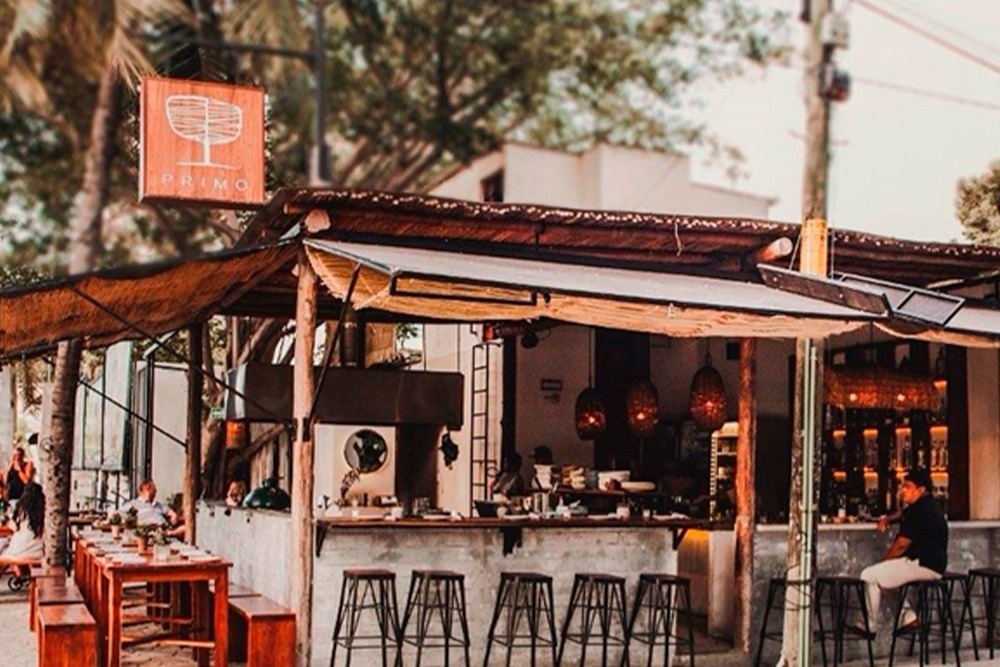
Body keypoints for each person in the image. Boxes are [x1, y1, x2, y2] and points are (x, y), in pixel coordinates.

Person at [860, 468, 947, 630]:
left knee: (869, 575)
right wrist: (887, 519)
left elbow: (901, 545)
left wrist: (885, 563)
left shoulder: (919, 510)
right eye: (903, 486)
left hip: (922, 563)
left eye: (908, 487)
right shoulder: (927, 504)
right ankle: (909, 618)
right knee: (888, 580)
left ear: (920, 490)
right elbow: (902, 513)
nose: (903, 490)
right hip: (934, 565)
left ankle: (869, 626)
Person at [0, 481, 44, 577]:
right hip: (38, 553)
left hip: (18, 552)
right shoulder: (44, 513)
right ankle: (18, 569)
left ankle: (17, 568)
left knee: (5, 548)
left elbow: (12, 527)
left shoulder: (21, 511)